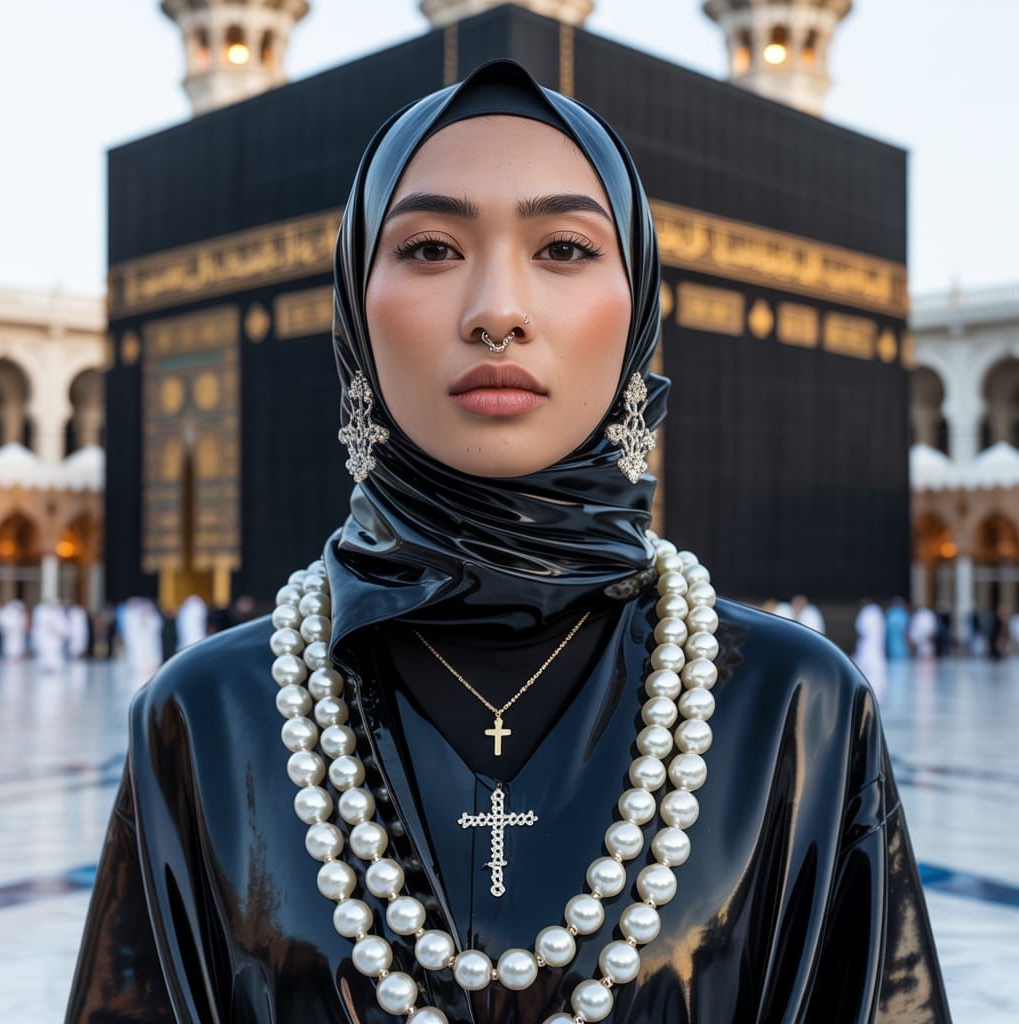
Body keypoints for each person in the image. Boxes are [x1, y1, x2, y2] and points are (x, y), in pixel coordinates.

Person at [67, 59, 949, 1023]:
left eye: (565, 248)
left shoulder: (792, 709)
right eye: (432, 248)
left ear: (639, 302)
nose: (497, 310)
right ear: (357, 310)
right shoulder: (209, 719)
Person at [31, 596, 69, 669]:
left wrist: (60, 632)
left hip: (55, 639)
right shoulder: (43, 613)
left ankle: (53, 667)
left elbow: (63, 626)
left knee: (54, 654)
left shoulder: (59, 614)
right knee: (45, 653)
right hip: (46, 639)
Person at [0, 597, 28, 661]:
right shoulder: (7, 612)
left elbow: (22, 624)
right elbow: (4, 623)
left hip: (17, 634)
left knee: (17, 646)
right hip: (10, 634)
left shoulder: (19, 614)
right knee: (9, 646)